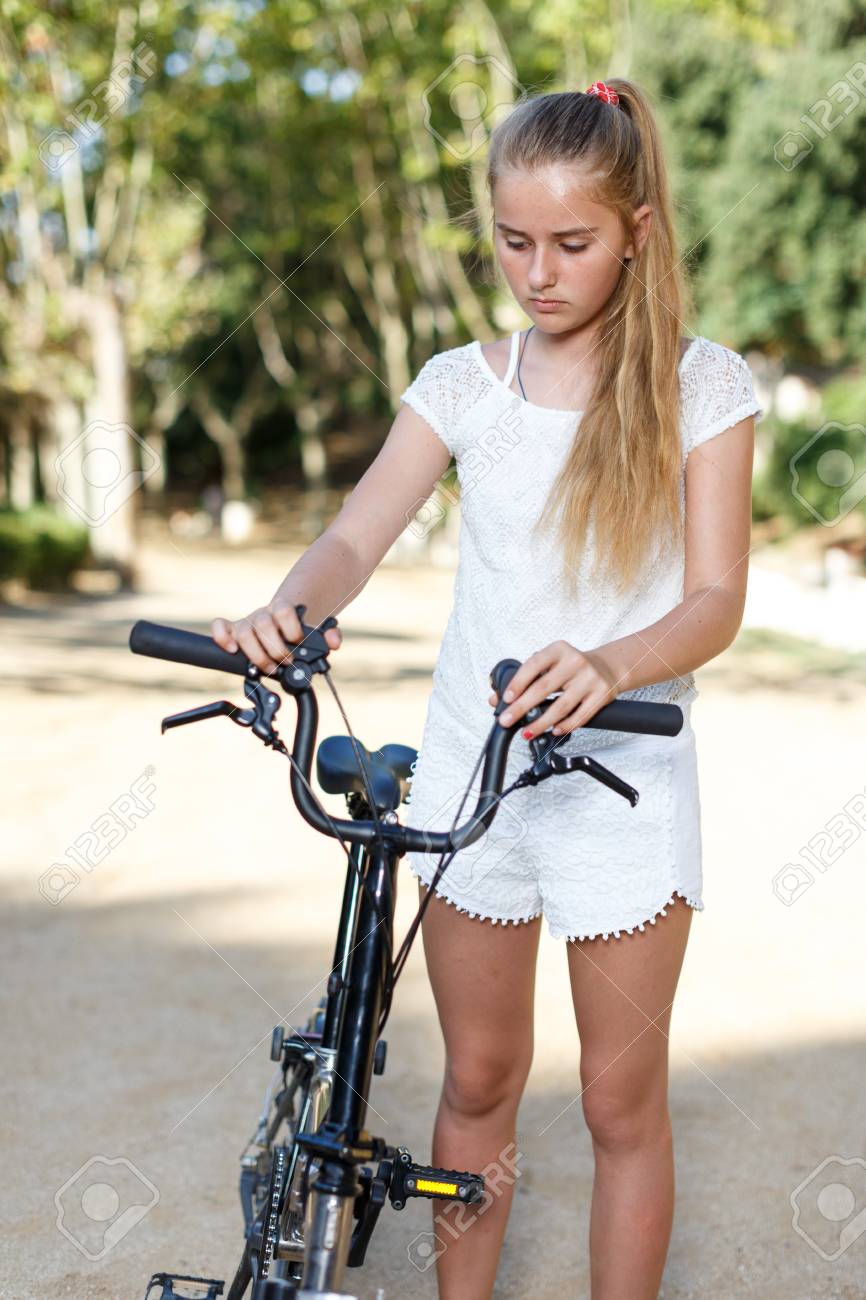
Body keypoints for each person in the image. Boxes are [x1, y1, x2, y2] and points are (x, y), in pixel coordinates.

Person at [212, 76, 763, 1300]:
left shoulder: (698, 384)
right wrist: (286, 613)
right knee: (476, 1080)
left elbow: (715, 599)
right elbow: (355, 534)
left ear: (636, 231)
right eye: (513, 241)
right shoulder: (467, 382)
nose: (537, 272)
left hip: (621, 780)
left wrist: (613, 661)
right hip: (475, 772)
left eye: (571, 243)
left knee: (621, 1101)